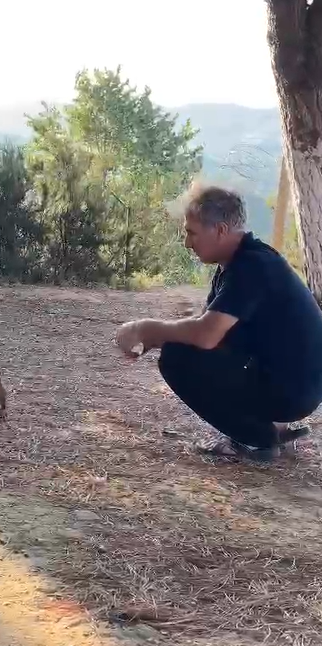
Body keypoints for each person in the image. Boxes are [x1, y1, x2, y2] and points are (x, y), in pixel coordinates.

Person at [115, 184, 322, 461]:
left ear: (221, 230)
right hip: (292, 384)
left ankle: (256, 440)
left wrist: (146, 328)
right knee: (184, 349)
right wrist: (157, 337)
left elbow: (205, 335)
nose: (187, 242)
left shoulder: (252, 267)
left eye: (192, 233)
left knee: (176, 358)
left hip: (294, 390)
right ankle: (270, 430)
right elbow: (208, 328)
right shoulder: (239, 264)